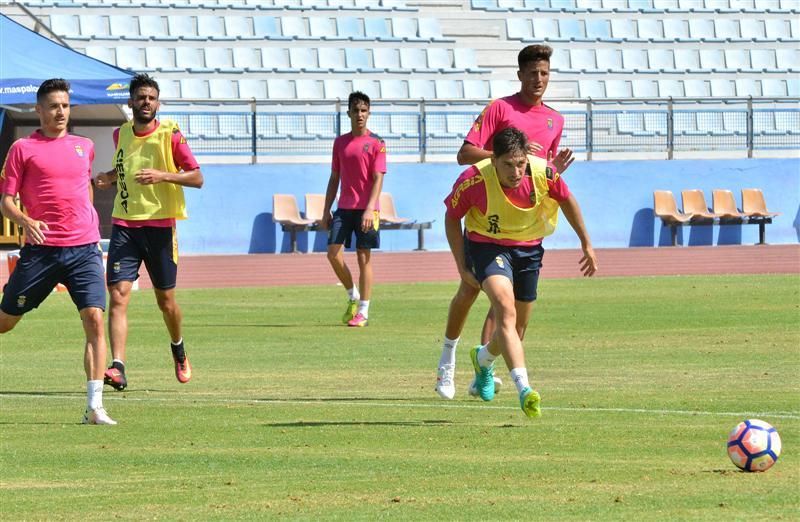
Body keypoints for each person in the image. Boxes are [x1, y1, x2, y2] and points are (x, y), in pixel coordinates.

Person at [436, 43, 576, 399]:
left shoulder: (554, 120)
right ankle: (448, 361)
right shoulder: (500, 109)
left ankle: (485, 368)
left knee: (512, 311)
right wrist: (508, 156)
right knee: (470, 290)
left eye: (544, 73)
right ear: (520, 75)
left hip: (526, 226)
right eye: (532, 73)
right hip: (489, 221)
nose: (538, 80)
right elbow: (464, 154)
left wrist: (550, 172)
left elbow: (539, 176)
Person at [443, 128, 596, 417]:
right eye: (508, 165)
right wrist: (461, 265)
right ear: (494, 161)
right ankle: (524, 388)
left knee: (517, 327)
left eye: (521, 163)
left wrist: (586, 243)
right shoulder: (474, 180)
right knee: (504, 306)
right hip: (486, 247)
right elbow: (452, 218)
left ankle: (484, 359)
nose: (516, 171)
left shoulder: (542, 174)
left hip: (528, 248)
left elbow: (567, 200)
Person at [0, 79, 116, 424]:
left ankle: (95, 407)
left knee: (95, 319)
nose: (60, 112)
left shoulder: (84, 146)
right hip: (41, 253)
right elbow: (6, 202)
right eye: (53, 106)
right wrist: (25, 220)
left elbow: (85, 189)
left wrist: (91, 228)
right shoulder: (22, 148)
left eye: (65, 105)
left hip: (84, 249)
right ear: (39, 110)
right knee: (6, 322)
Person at [94, 73, 203, 391]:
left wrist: (163, 175)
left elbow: (197, 178)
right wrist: (109, 177)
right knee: (118, 296)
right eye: (140, 97)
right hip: (125, 226)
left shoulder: (170, 134)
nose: (146, 102)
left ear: (158, 102)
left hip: (160, 228)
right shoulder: (121, 134)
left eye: (151, 98)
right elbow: (125, 168)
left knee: (166, 302)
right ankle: (118, 367)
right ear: (130, 102)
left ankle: (178, 347)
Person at [320, 91, 387, 328]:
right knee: (332, 253)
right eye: (355, 110)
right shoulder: (340, 143)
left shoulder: (377, 143)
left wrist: (370, 209)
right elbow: (334, 177)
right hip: (344, 207)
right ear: (348, 113)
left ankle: (364, 311)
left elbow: (378, 179)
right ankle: (352, 295)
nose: (359, 114)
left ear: (369, 113)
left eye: (364, 110)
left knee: (363, 257)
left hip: (368, 210)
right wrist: (326, 209)